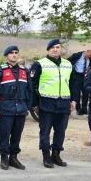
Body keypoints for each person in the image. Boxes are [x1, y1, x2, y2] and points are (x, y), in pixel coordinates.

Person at [30, 39, 76, 168]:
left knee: (61, 131)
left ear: (61, 49)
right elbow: (32, 85)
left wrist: (73, 100)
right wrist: (34, 104)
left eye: (57, 47)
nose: (55, 49)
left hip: (64, 102)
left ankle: (56, 155)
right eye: (52, 47)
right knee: (45, 131)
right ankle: (46, 156)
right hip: (46, 102)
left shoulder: (68, 64)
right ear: (48, 50)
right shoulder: (39, 64)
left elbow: (73, 84)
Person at [0, 45, 30, 171]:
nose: (14, 55)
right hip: (6, 108)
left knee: (17, 135)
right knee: (4, 135)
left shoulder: (24, 71)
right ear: (6, 56)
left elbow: (29, 91)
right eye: (11, 53)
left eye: (16, 52)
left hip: (21, 109)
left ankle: (14, 158)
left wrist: (28, 106)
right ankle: (4, 158)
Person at [67, 49, 91, 115]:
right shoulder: (77, 55)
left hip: (85, 77)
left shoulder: (90, 58)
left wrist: (88, 71)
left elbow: (90, 66)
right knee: (77, 93)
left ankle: (84, 109)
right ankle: (78, 109)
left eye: (88, 57)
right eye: (87, 56)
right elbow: (68, 61)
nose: (87, 58)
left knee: (85, 93)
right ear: (85, 52)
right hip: (76, 76)